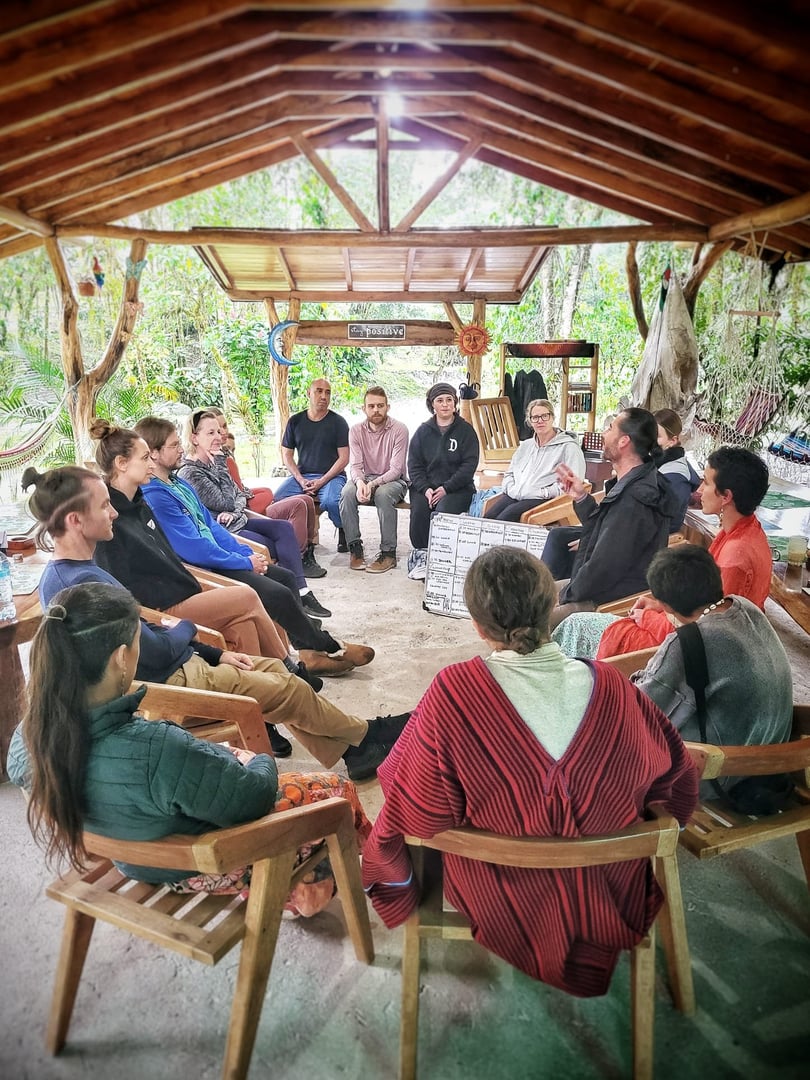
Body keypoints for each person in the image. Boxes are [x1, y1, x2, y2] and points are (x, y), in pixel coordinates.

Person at [362, 547, 698, 996]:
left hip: (495, 892)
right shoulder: (614, 686)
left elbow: (417, 808)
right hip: (607, 888)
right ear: (549, 612)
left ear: (479, 628)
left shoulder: (453, 691)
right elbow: (674, 781)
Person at [5, 581, 374, 918]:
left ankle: (308, 884)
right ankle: (362, 873)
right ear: (120, 657)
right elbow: (255, 798)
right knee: (336, 794)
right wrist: (259, 760)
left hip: (129, 853)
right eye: (137, 643)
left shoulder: (27, 738)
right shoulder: (156, 749)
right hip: (195, 865)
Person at [19, 466, 409, 778]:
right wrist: (186, 630)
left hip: (181, 661)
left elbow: (148, 627)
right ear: (75, 519)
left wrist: (212, 652)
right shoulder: (83, 584)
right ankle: (365, 735)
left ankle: (356, 749)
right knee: (287, 690)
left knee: (276, 669)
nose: (115, 512)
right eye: (104, 506)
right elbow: (151, 651)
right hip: (168, 682)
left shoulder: (73, 572)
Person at [134, 417, 374, 674]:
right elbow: (194, 548)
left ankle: (308, 653)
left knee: (285, 577)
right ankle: (325, 643)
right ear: (155, 454)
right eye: (174, 445)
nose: (181, 449)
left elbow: (213, 524)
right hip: (206, 566)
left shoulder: (178, 483)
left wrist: (244, 553)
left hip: (223, 553)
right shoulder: (157, 496)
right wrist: (242, 561)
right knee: (277, 594)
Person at [555, 444, 774, 662]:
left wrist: (650, 618)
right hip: (677, 624)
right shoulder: (745, 531)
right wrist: (660, 605)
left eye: (706, 483)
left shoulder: (735, 557)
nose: (698, 490)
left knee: (577, 625)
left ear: (726, 496)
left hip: (684, 649)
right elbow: (701, 603)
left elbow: (705, 629)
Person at [630, 544, 792, 799]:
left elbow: (639, 710)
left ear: (665, 605)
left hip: (722, 773)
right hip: (773, 760)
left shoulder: (689, 641)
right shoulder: (744, 607)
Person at [177, 410, 330, 618]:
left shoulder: (214, 460)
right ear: (194, 438)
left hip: (239, 519)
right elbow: (226, 501)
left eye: (219, 431)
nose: (218, 437)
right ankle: (292, 606)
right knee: (269, 547)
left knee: (284, 528)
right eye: (211, 433)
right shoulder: (191, 471)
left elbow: (239, 495)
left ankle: (302, 592)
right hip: (227, 530)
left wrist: (235, 510)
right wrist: (223, 471)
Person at [546, 408, 677, 628]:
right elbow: (601, 528)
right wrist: (581, 497)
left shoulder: (636, 499)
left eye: (609, 428)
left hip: (610, 596)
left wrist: (567, 595)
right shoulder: (635, 482)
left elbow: (603, 567)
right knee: (531, 594)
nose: (604, 433)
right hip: (601, 585)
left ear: (624, 441)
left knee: (524, 625)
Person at [207, 407, 326, 579]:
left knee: (301, 499)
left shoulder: (224, 456)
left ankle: (307, 552)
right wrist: (243, 499)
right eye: (216, 430)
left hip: (243, 510)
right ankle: (299, 559)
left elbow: (238, 493)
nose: (222, 433)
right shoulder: (203, 467)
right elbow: (231, 501)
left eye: (224, 426)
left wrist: (245, 495)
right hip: (239, 519)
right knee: (296, 504)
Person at [406, 382, 480, 580]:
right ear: (432, 405)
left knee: (442, 514)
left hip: (457, 488)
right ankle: (422, 556)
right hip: (426, 487)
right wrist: (426, 489)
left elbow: (469, 466)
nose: (445, 404)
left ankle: (441, 560)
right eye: (440, 400)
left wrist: (446, 489)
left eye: (449, 400)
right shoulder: (422, 432)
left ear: (455, 403)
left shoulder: (466, 431)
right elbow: (414, 466)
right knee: (421, 509)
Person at [339, 386, 409, 573]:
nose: (376, 410)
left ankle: (388, 553)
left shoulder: (399, 430)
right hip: (366, 478)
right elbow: (355, 466)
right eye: (371, 406)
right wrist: (361, 482)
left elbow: (395, 470)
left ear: (388, 407)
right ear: (364, 409)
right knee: (347, 493)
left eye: (380, 405)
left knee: (383, 495)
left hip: (393, 481)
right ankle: (355, 548)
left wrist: (372, 484)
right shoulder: (355, 431)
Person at [274, 378, 350, 549]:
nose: (324, 396)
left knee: (331, 502)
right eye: (319, 391)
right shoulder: (295, 421)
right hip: (304, 476)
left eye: (328, 392)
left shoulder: (338, 422)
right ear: (309, 393)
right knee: (278, 498)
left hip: (332, 477)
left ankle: (342, 527)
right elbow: (287, 455)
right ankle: (299, 535)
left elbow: (344, 458)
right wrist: (300, 479)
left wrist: (322, 481)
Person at [483, 399, 586, 521]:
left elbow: (573, 483)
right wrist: (512, 489)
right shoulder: (526, 446)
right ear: (530, 421)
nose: (540, 421)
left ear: (552, 418)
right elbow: (509, 473)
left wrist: (543, 492)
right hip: (516, 494)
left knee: (505, 518)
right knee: (487, 518)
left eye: (544, 416)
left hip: (545, 500)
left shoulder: (568, 447)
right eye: (535, 417)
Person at [654, 408, 701, 532]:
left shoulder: (675, 475)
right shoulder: (660, 464)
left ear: (672, 441)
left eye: (657, 436)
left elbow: (669, 522)